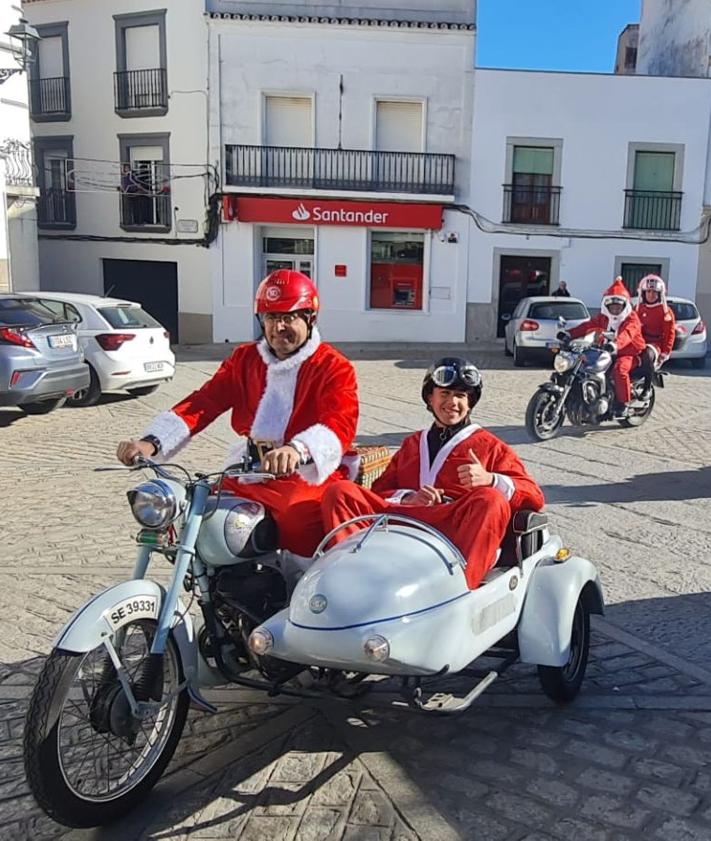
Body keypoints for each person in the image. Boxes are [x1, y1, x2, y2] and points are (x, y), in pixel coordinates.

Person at [116, 269, 359, 557]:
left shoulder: (333, 366)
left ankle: (301, 592)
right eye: (270, 317)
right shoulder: (245, 359)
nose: (278, 328)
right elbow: (205, 401)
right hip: (251, 471)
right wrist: (153, 442)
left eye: (288, 317)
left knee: (298, 520)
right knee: (202, 512)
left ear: (310, 318)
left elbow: (339, 423)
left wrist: (298, 450)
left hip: (308, 472)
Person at [321, 358, 545, 590]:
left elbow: (534, 496)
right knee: (340, 492)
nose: (453, 402)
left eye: (461, 395)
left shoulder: (491, 446)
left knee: (491, 499)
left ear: (470, 402)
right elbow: (380, 491)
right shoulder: (412, 444)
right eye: (445, 394)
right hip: (403, 522)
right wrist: (408, 497)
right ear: (430, 398)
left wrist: (490, 479)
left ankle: (459, 588)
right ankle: (351, 575)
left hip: (453, 530)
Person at [561, 278, 646, 418]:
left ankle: (624, 403)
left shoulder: (632, 319)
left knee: (620, 371)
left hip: (629, 352)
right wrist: (569, 334)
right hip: (607, 350)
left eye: (618, 306)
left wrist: (615, 344)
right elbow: (588, 326)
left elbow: (628, 333)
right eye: (612, 306)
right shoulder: (604, 317)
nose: (615, 309)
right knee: (586, 367)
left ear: (625, 305)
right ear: (607, 305)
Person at [636, 274, 676, 400]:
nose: (651, 294)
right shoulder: (637, 308)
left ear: (660, 294)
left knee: (647, 353)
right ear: (643, 293)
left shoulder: (665, 311)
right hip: (638, 341)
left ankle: (647, 387)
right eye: (648, 291)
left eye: (654, 292)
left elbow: (670, 332)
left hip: (655, 343)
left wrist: (666, 351)